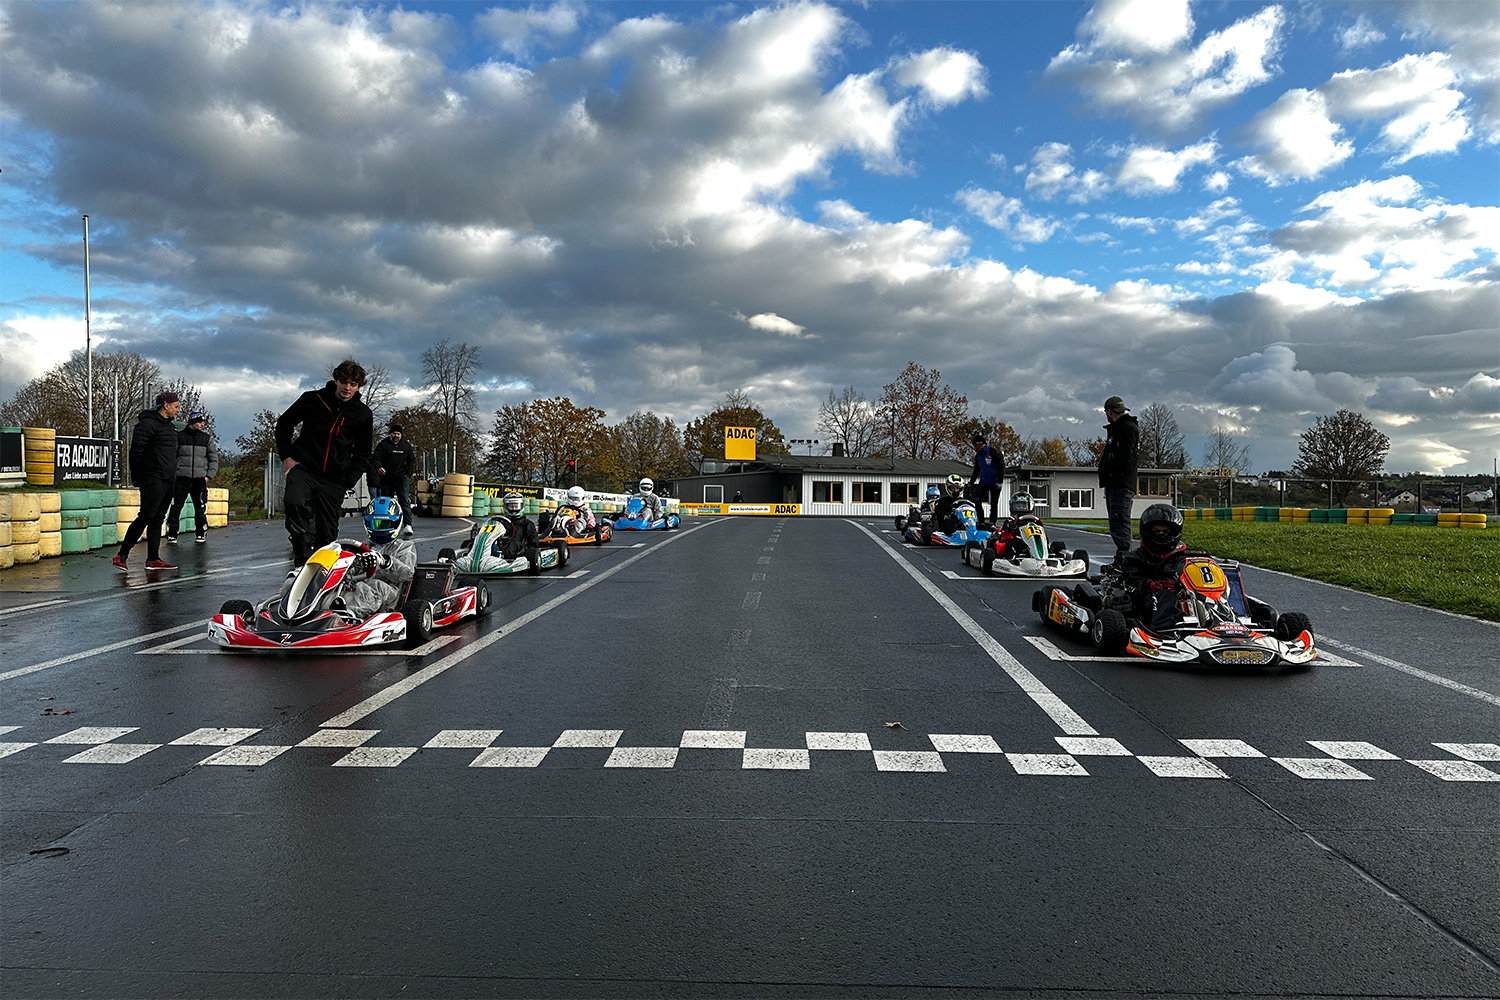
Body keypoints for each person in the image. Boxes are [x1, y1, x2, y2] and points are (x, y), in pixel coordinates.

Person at [276, 360, 375, 562]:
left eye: (353, 384)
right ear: (336, 380)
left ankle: (320, 569)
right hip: (305, 468)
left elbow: (363, 452)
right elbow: (284, 425)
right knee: (295, 503)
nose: (347, 388)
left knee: (327, 533)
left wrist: (347, 481)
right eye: (344, 382)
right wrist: (287, 457)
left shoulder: (363, 414)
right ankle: (301, 559)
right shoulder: (313, 400)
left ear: (358, 387)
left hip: (335, 478)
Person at [114, 391, 182, 572]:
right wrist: (137, 476)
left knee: (158, 518)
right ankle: (122, 555)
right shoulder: (146, 425)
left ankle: (153, 559)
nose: (178, 409)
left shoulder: (170, 427)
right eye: (175, 406)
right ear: (165, 406)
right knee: (146, 515)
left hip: (168, 478)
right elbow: (136, 453)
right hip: (152, 477)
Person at [1114, 503, 1188, 632]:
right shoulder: (1134, 558)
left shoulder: (1183, 558)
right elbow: (1131, 585)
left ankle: (1225, 622)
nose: (1161, 535)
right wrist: (1151, 586)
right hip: (1148, 600)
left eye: (1166, 532)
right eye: (1156, 531)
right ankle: (1165, 632)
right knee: (1166, 596)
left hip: (1185, 598)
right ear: (1147, 531)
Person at [342, 497, 418, 620]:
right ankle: (316, 611)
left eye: (385, 524)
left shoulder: (405, 547)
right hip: (358, 588)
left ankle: (350, 615)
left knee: (375, 585)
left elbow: (406, 573)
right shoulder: (363, 546)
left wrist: (385, 562)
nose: (380, 529)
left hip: (389, 593)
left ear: (396, 523)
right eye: (376, 524)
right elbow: (352, 572)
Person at [1098, 395, 1140, 566]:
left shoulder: (1127, 428)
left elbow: (1125, 457)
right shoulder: (1118, 428)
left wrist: (1112, 473)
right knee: (1116, 521)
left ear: (1109, 412)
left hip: (1120, 483)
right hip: (1114, 483)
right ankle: (1121, 558)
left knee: (1120, 520)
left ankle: (1125, 559)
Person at [166, 411, 219, 544]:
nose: (202, 424)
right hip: (181, 478)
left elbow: (213, 458)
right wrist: (173, 473)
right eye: (199, 422)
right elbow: (171, 456)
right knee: (176, 506)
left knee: (200, 506)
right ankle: (172, 533)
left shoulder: (206, 438)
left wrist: (209, 475)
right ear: (192, 422)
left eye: (202, 422)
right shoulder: (180, 437)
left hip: (199, 479)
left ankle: (201, 533)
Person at [460, 492, 542, 572]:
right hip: (499, 541)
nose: (513, 508)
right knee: (477, 542)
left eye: (516, 506)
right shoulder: (501, 521)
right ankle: (474, 556)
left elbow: (533, 541)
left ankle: (500, 556)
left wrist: (532, 553)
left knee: (513, 542)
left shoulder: (527, 524)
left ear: (522, 506)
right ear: (505, 507)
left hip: (517, 547)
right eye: (511, 506)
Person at [369, 423, 416, 538]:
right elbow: (375, 458)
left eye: (398, 434)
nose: (396, 436)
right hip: (387, 478)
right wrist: (379, 467)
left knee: (404, 500)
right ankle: (387, 525)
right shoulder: (383, 445)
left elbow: (412, 461)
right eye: (394, 433)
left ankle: (408, 525)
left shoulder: (406, 446)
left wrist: (408, 474)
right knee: (386, 503)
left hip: (402, 478)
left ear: (401, 435)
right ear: (390, 434)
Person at [968, 432, 1005, 525]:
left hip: (995, 482)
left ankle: (992, 522)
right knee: (977, 501)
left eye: (976, 446)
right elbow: (976, 469)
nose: (975, 449)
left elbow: (1001, 466)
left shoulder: (993, 451)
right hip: (984, 482)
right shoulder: (978, 456)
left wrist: (1000, 481)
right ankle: (981, 521)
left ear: (981, 445)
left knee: (993, 504)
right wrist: (971, 482)